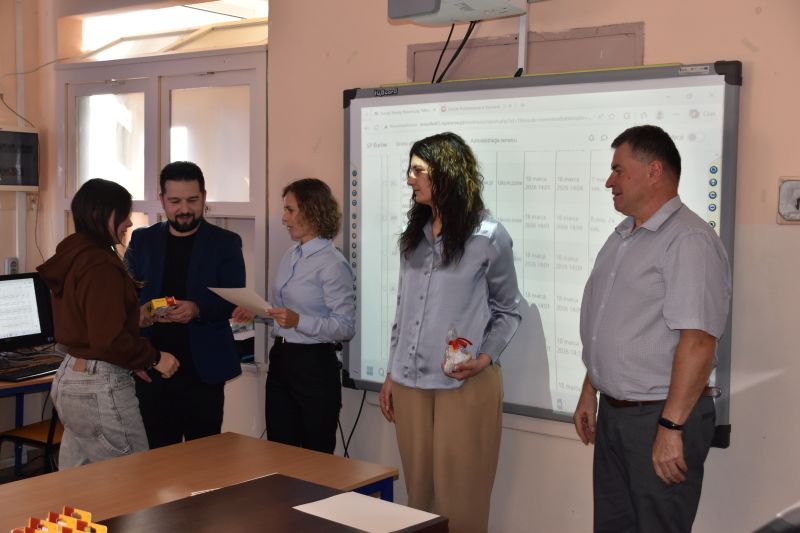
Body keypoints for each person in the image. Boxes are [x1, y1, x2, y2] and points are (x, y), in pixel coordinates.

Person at [572, 125, 732, 533]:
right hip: (618, 415)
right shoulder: (623, 237)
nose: (609, 181)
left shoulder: (688, 240)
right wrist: (591, 389)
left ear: (654, 171)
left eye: (618, 170)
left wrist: (671, 427)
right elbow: (611, 326)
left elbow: (699, 343)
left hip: (660, 417)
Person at [378, 132, 521, 533]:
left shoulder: (489, 236)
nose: (410, 179)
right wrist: (391, 372)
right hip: (410, 384)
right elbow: (403, 311)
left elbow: (508, 311)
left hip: (464, 384)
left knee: (461, 501)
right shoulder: (414, 235)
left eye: (418, 171)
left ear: (447, 172)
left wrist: (484, 359)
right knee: (418, 500)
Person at [37, 178, 179, 468]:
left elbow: (89, 323)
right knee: (133, 480)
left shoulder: (75, 254)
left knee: (79, 484)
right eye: (123, 214)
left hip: (71, 377)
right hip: (99, 382)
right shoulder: (100, 263)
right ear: (99, 214)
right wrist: (154, 358)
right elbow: (108, 340)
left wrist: (131, 322)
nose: (129, 222)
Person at [124, 161, 245, 448]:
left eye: (192, 200)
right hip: (152, 367)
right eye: (175, 201)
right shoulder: (143, 240)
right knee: (155, 459)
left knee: (203, 459)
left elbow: (232, 299)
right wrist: (139, 322)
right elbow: (124, 300)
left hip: (203, 371)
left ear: (204, 197)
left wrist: (197, 309)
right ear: (162, 199)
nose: (185, 209)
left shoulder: (226, 243)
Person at [234, 178, 355, 453]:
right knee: (279, 452)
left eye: (290, 210)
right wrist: (256, 313)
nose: (283, 218)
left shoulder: (333, 264)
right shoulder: (291, 254)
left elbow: (345, 327)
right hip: (281, 360)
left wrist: (300, 321)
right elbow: (282, 313)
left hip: (314, 366)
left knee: (315, 456)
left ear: (312, 211)